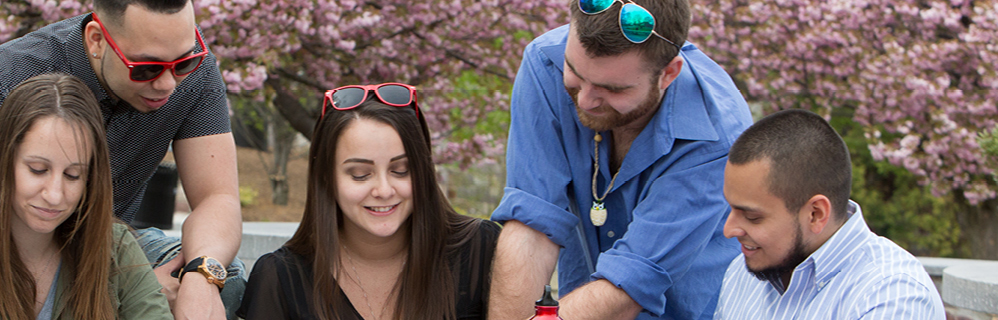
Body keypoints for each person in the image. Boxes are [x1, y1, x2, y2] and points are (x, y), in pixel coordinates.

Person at [0, 0, 242, 317]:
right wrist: (122, 286)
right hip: (17, 246)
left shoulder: (194, 74)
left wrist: (199, 279)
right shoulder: (2, 77)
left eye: (184, 63)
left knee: (226, 274)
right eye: (146, 69)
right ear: (96, 40)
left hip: (113, 244)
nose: (167, 84)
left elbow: (217, 196)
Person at [488, 0, 755, 318]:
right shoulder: (545, 65)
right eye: (575, 72)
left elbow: (630, 283)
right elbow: (531, 224)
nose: (585, 100)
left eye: (611, 89)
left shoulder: (716, 135)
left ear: (668, 73)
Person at [238, 84, 501, 320]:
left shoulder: (480, 251)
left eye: (401, 170)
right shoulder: (279, 278)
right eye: (360, 175)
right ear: (326, 178)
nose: (384, 190)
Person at [0, 74, 172, 320]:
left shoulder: (116, 248)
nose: (54, 195)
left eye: (73, 175)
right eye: (38, 170)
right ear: (2, 162)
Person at [713, 109, 943, 319]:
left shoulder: (892, 297)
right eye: (730, 208)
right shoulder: (742, 273)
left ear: (815, 214)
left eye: (752, 217)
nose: (729, 229)